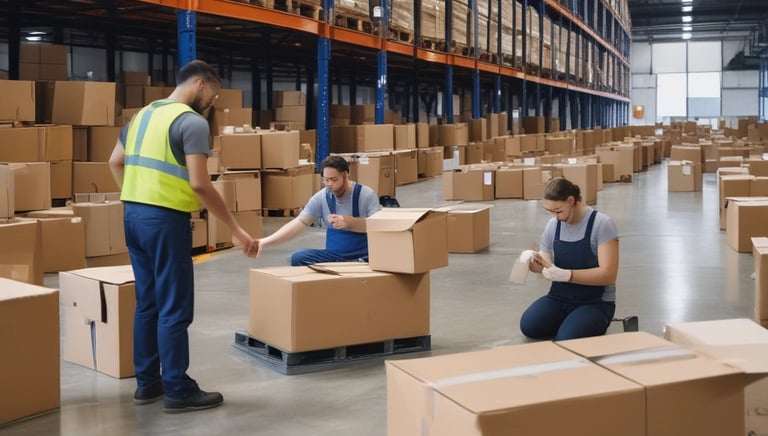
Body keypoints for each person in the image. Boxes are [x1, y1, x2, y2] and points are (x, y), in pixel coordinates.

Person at [109, 60, 259, 414]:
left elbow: (115, 161)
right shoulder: (191, 122)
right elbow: (199, 183)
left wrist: (135, 195)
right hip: (164, 221)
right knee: (174, 307)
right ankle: (177, 388)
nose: (212, 102)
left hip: (133, 215)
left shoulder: (143, 115)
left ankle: (148, 384)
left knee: (147, 303)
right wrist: (236, 230)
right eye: (214, 94)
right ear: (200, 84)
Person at [519, 177, 619, 341]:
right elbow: (546, 266)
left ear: (571, 200)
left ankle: (590, 321)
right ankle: (574, 322)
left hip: (595, 302)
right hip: (560, 297)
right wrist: (533, 264)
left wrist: (567, 275)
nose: (555, 217)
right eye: (550, 212)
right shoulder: (553, 225)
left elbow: (608, 274)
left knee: (567, 339)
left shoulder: (602, 224)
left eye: (558, 211)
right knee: (529, 326)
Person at [257, 155, 381, 265]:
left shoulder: (366, 195)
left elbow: (379, 227)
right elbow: (298, 224)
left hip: (365, 254)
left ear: (345, 175)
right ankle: (349, 265)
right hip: (335, 257)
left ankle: (356, 263)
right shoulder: (322, 197)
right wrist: (264, 242)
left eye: (334, 180)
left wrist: (351, 222)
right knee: (298, 257)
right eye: (326, 180)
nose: (329, 184)